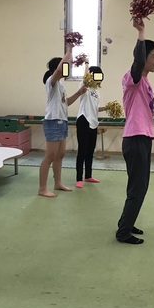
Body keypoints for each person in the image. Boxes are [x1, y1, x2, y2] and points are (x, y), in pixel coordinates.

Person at [116, 17, 154, 245]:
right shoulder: (132, 78)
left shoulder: (146, 83)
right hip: (135, 138)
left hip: (143, 138)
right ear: (143, 58)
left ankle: (127, 222)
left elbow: (149, 111)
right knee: (138, 187)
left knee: (139, 186)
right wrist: (141, 32)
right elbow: (136, 64)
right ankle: (123, 232)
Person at [38, 44, 86, 197]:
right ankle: (42, 188)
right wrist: (70, 51)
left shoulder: (61, 86)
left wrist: (79, 93)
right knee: (50, 156)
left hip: (62, 121)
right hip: (53, 121)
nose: (66, 71)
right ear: (55, 70)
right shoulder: (51, 82)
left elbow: (66, 103)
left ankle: (57, 183)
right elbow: (59, 69)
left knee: (60, 155)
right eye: (64, 67)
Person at [75, 65, 106, 188]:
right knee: (82, 150)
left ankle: (88, 175)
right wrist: (87, 64)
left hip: (93, 122)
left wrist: (106, 108)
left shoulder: (97, 92)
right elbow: (85, 78)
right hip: (83, 120)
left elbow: (95, 108)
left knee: (90, 150)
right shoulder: (85, 87)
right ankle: (79, 178)